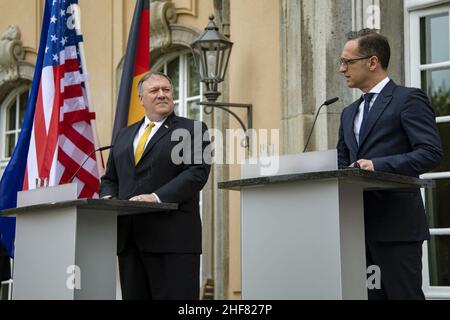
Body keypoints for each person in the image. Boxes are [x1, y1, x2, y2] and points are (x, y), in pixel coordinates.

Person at [336, 29, 442, 299]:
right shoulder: (348, 113)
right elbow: (342, 164)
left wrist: (378, 165)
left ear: (372, 62)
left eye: (348, 62)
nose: (342, 68)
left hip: (397, 227)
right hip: (356, 229)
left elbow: (430, 153)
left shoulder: (408, 99)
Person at [99, 72, 211, 300]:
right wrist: (109, 200)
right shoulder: (124, 135)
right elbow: (110, 179)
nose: (162, 95)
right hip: (130, 241)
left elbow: (197, 173)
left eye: (166, 90)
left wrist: (156, 197)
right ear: (141, 99)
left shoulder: (193, 129)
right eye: (154, 91)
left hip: (173, 241)